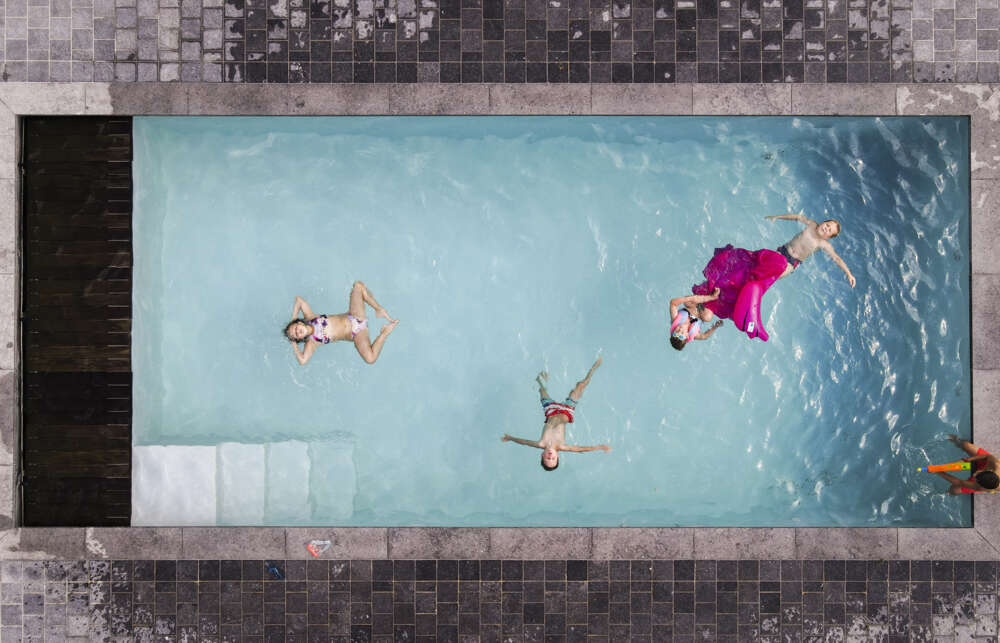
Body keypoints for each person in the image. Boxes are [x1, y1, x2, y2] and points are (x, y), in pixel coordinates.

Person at [501, 356, 610, 471]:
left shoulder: (540, 444)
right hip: (566, 410)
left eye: (547, 459)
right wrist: (599, 447)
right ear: (557, 456)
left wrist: (510, 438)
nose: (550, 456)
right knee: (580, 386)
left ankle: (541, 379)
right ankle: (595, 366)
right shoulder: (561, 446)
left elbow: (523, 442)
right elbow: (580, 449)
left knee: (541, 390)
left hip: (550, 410)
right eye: (553, 459)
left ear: (542, 455)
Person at [283, 281, 398, 365]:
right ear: (300, 338)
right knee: (370, 359)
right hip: (356, 334)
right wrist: (293, 343)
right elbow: (302, 360)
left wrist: (293, 319)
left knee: (358, 286)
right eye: (297, 334)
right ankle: (384, 334)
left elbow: (299, 300)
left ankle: (378, 309)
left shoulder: (310, 317)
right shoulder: (312, 343)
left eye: (296, 327)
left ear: (300, 323)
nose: (298, 331)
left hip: (354, 315)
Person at [765, 213, 856, 287]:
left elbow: (837, 258)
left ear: (828, 237)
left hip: (790, 263)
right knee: (764, 265)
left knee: (771, 276)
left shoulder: (824, 244)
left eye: (829, 231)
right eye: (827, 225)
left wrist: (849, 274)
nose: (826, 229)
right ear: (823, 222)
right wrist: (777, 217)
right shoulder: (812, 225)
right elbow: (797, 217)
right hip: (783, 250)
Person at [934, 435, 1000, 495]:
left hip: (984, 481)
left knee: (954, 490)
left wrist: (938, 471)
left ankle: (947, 493)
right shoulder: (996, 464)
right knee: (966, 445)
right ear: (989, 470)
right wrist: (969, 459)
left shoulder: (982, 487)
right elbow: (986, 456)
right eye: (977, 474)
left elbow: (959, 482)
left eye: (976, 478)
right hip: (984, 462)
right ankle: (956, 441)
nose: (974, 475)